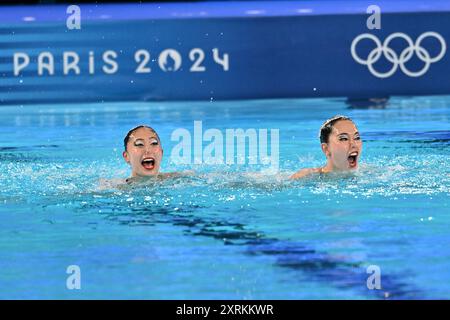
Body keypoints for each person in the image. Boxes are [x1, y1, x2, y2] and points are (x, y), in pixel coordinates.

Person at [290, 115, 362, 180]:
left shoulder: (368, 173)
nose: (354, 144)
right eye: (344, 139)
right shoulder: (307, 177)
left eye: (357, 137)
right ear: (326, 149)